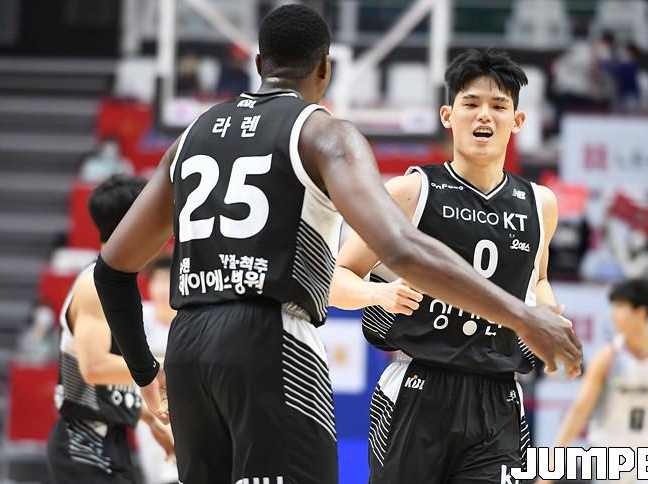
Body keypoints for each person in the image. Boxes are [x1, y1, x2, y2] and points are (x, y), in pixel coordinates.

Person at [92, 5, 582, 484]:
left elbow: (111, 269)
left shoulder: (191, 136)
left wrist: (143, 368)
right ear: (326, 68)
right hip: (274, 338)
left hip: (189, 344)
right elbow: (400, 249)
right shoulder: (325, 133)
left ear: (259, 63)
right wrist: (521, 316)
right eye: (472, 104)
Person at [328, 47, 560, 483]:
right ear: (448, 115)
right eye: (471, 104)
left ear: (518, 121)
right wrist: (379, 293)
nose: (484, 115)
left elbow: (540, 280)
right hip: (418, 388)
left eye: (498, 106)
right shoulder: (411, 192)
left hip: (498, 396)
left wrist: (548, 314)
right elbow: (334, 279)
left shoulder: (540, 203)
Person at [47, 175, 174, 484]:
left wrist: (149, 419)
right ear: (132, 223)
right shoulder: (94, 285)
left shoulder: (115, 284)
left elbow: (104, 385)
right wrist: (167, 370)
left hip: (108, 439)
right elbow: (95, 368)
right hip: (84, 445)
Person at [544, 279, 648, 483]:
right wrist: (552, 465)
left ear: (640, 312)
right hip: (611, 460)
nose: (613, 315)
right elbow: (579, 411)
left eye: (620, 307)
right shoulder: (607, 357)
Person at [135, 257, 179, 484]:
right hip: (148, 410)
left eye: (168, 281)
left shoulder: (191, 320)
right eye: (158, 281)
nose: (163, 289)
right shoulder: (137, 319)